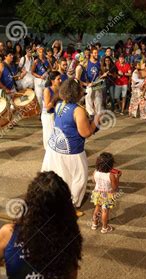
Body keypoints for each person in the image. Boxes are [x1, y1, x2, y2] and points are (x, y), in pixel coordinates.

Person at [42, 79, 103, 212]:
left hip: (54, 150)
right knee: (79, 178)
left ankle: (55, 201)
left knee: (59, 178)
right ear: (77, 93)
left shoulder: (59, 104)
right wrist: (96, 120)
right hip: (71, 152)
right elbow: (86, 133)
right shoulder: (78, 110)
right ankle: (70, 206)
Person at [90, 152, 120, 234]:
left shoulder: (95, 172)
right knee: (105, 210)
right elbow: (115, 187)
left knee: (97, 208)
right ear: (111, 165)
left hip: (97, 193)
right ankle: (104, 227)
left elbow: (93, 181)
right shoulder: (111, 175)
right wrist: (117, 178)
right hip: (107, 195)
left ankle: (94, 224)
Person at [41, 71, 61, 150]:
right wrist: (56, 98)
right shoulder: (47, 90)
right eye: (58, 79)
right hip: (48, 116)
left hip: (56, 115)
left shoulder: (59, 88)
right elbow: (47, 107)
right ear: (52, 81)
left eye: (60, 79)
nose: (60, 81)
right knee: (49, 136)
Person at [85, 47, 103, 118]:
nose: (96, 54)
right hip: (89, 84)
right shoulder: (86, 62)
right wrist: (87, 83)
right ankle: (91, 115)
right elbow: (84, 74)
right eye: (95, 53)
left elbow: (101, 73)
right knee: (88, 99)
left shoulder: (99, 62)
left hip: (98, 84)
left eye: (97, 53)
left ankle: (98, 117)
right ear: (91, 53)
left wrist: (100, 78)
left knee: (98, 100)